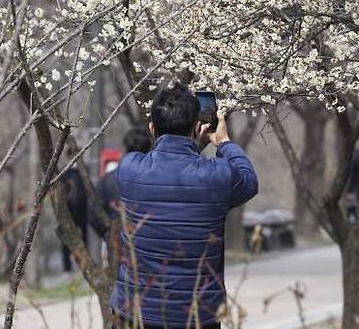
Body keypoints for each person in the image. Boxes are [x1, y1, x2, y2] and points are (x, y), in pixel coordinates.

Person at [110, 84, 258, 329]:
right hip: (197, 315)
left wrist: (190, 146)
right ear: (197, 127)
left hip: (135, 312)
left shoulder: (128, 169)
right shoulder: (217, 177)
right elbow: (249, 182)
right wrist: (224, 142)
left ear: (152, 129)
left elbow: (170, 171)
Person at [89, 126, 152, 238]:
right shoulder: (154, 179)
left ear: (125, 147)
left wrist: (108, 235)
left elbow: (94, 215)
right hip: (147, 242)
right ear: (149, 149)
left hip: (116, 241)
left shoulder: (107, 179)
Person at [60, 150, 88, 272]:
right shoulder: (66, 172)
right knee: (68, 240)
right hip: (72, 211)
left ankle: (82, 266)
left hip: (79, 211)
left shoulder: (82, 171)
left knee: (82, 239)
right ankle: (69, 268)